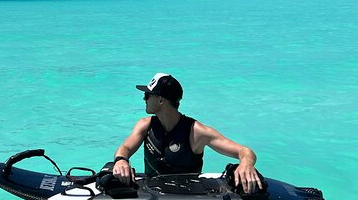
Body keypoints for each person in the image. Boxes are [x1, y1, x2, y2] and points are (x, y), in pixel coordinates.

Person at [113, 73, 263, 193]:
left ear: (160, 100)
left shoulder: (197, 132)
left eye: (147, 95)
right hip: (152, 195)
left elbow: (244, 151)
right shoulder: (145, 125)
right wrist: (121, 160)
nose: (144, 98)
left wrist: (246, 164)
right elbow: (125, 148)